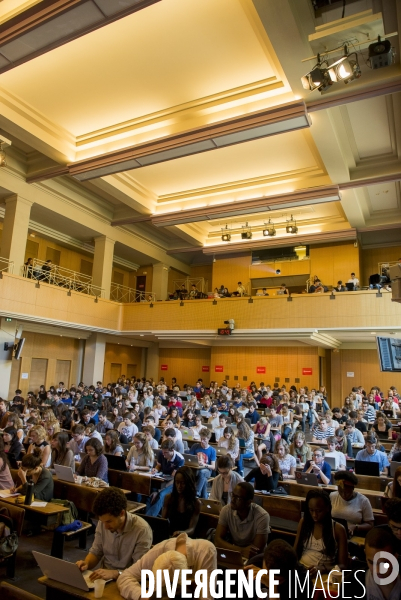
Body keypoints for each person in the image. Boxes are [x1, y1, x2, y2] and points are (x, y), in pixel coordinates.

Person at [76, 487, 152, 582]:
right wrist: (86, 563)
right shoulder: (103, 522)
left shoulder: (141, 530)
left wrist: (115, 573)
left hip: (129, 580)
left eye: (109, 521)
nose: (105, 527)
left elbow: (139, 571)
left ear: (122, 513)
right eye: (102, 522)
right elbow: (96, 552)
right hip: (103, 578)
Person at [118, 533, 217, 600]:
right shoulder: (158, 551)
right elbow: (125, 576)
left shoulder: (206, 552)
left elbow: (206, 597)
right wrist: (143, 596)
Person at [294, 489, 348, 574]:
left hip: (324, 574)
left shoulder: (338, 529)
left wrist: (323, 568)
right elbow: (295, 551)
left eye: (319, 511)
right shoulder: (304, 522)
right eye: (311, 510)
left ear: (327, 508)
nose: (314, 515)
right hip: (302, 569)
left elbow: (343, 565)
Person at [214, 482, 270, 558]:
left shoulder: (262, 516)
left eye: (238, 498)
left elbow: (256, 550)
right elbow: (217, 540)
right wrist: (241, 550)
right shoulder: (226, 510)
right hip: (237, 552)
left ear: (249, 502)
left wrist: (238, 550)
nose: (232, 500)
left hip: (256, 558)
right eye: (232, 495)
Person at [146, 439, 184, 517]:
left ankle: (150, 517)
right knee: (149, 493)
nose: (163, 455)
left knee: (161, 495)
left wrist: (159, 490)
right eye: (163, 452)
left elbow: (174, 478)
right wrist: (155, 470)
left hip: (172, 483)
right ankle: (147, 514)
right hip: (160, 479)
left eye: (166, 452)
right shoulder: (161, 453)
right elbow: (159, 466)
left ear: (172, 450)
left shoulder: (179, 459)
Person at [330, 471, 374, 537]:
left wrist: (355, 527)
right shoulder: (332, 496)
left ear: (353, 489)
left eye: (347, 492)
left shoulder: (363, 500)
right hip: (334, 533)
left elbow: (370, 525)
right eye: (341, 491)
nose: (343, 495)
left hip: (354, 535)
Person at [162, 466, 201, 537]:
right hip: (171, 536)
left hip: (186, 537)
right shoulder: (169, 498)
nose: (179, 486)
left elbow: (192, 529)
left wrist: (181, 533)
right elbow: (163, 522)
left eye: (182, 483)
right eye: (177, 482)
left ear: (189, 483)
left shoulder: (196, 503)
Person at [364, 527, 401, 599]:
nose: (377, 571)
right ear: (365, 554)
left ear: (395, 557)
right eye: (371, 563)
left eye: (384, 563)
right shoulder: (352, 583)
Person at [188, 428, 216, 498]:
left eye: (204, 439)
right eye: (201, 438)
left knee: (202, 472)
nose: (202, 441)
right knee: (204, 480)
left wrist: (204, 465)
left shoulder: (212, 450)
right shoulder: (195, 446)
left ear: (209, 438)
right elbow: (189, 458)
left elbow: (213, 467)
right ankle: (204, 497)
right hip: (195, 469)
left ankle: (196, 493)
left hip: (207, 470)